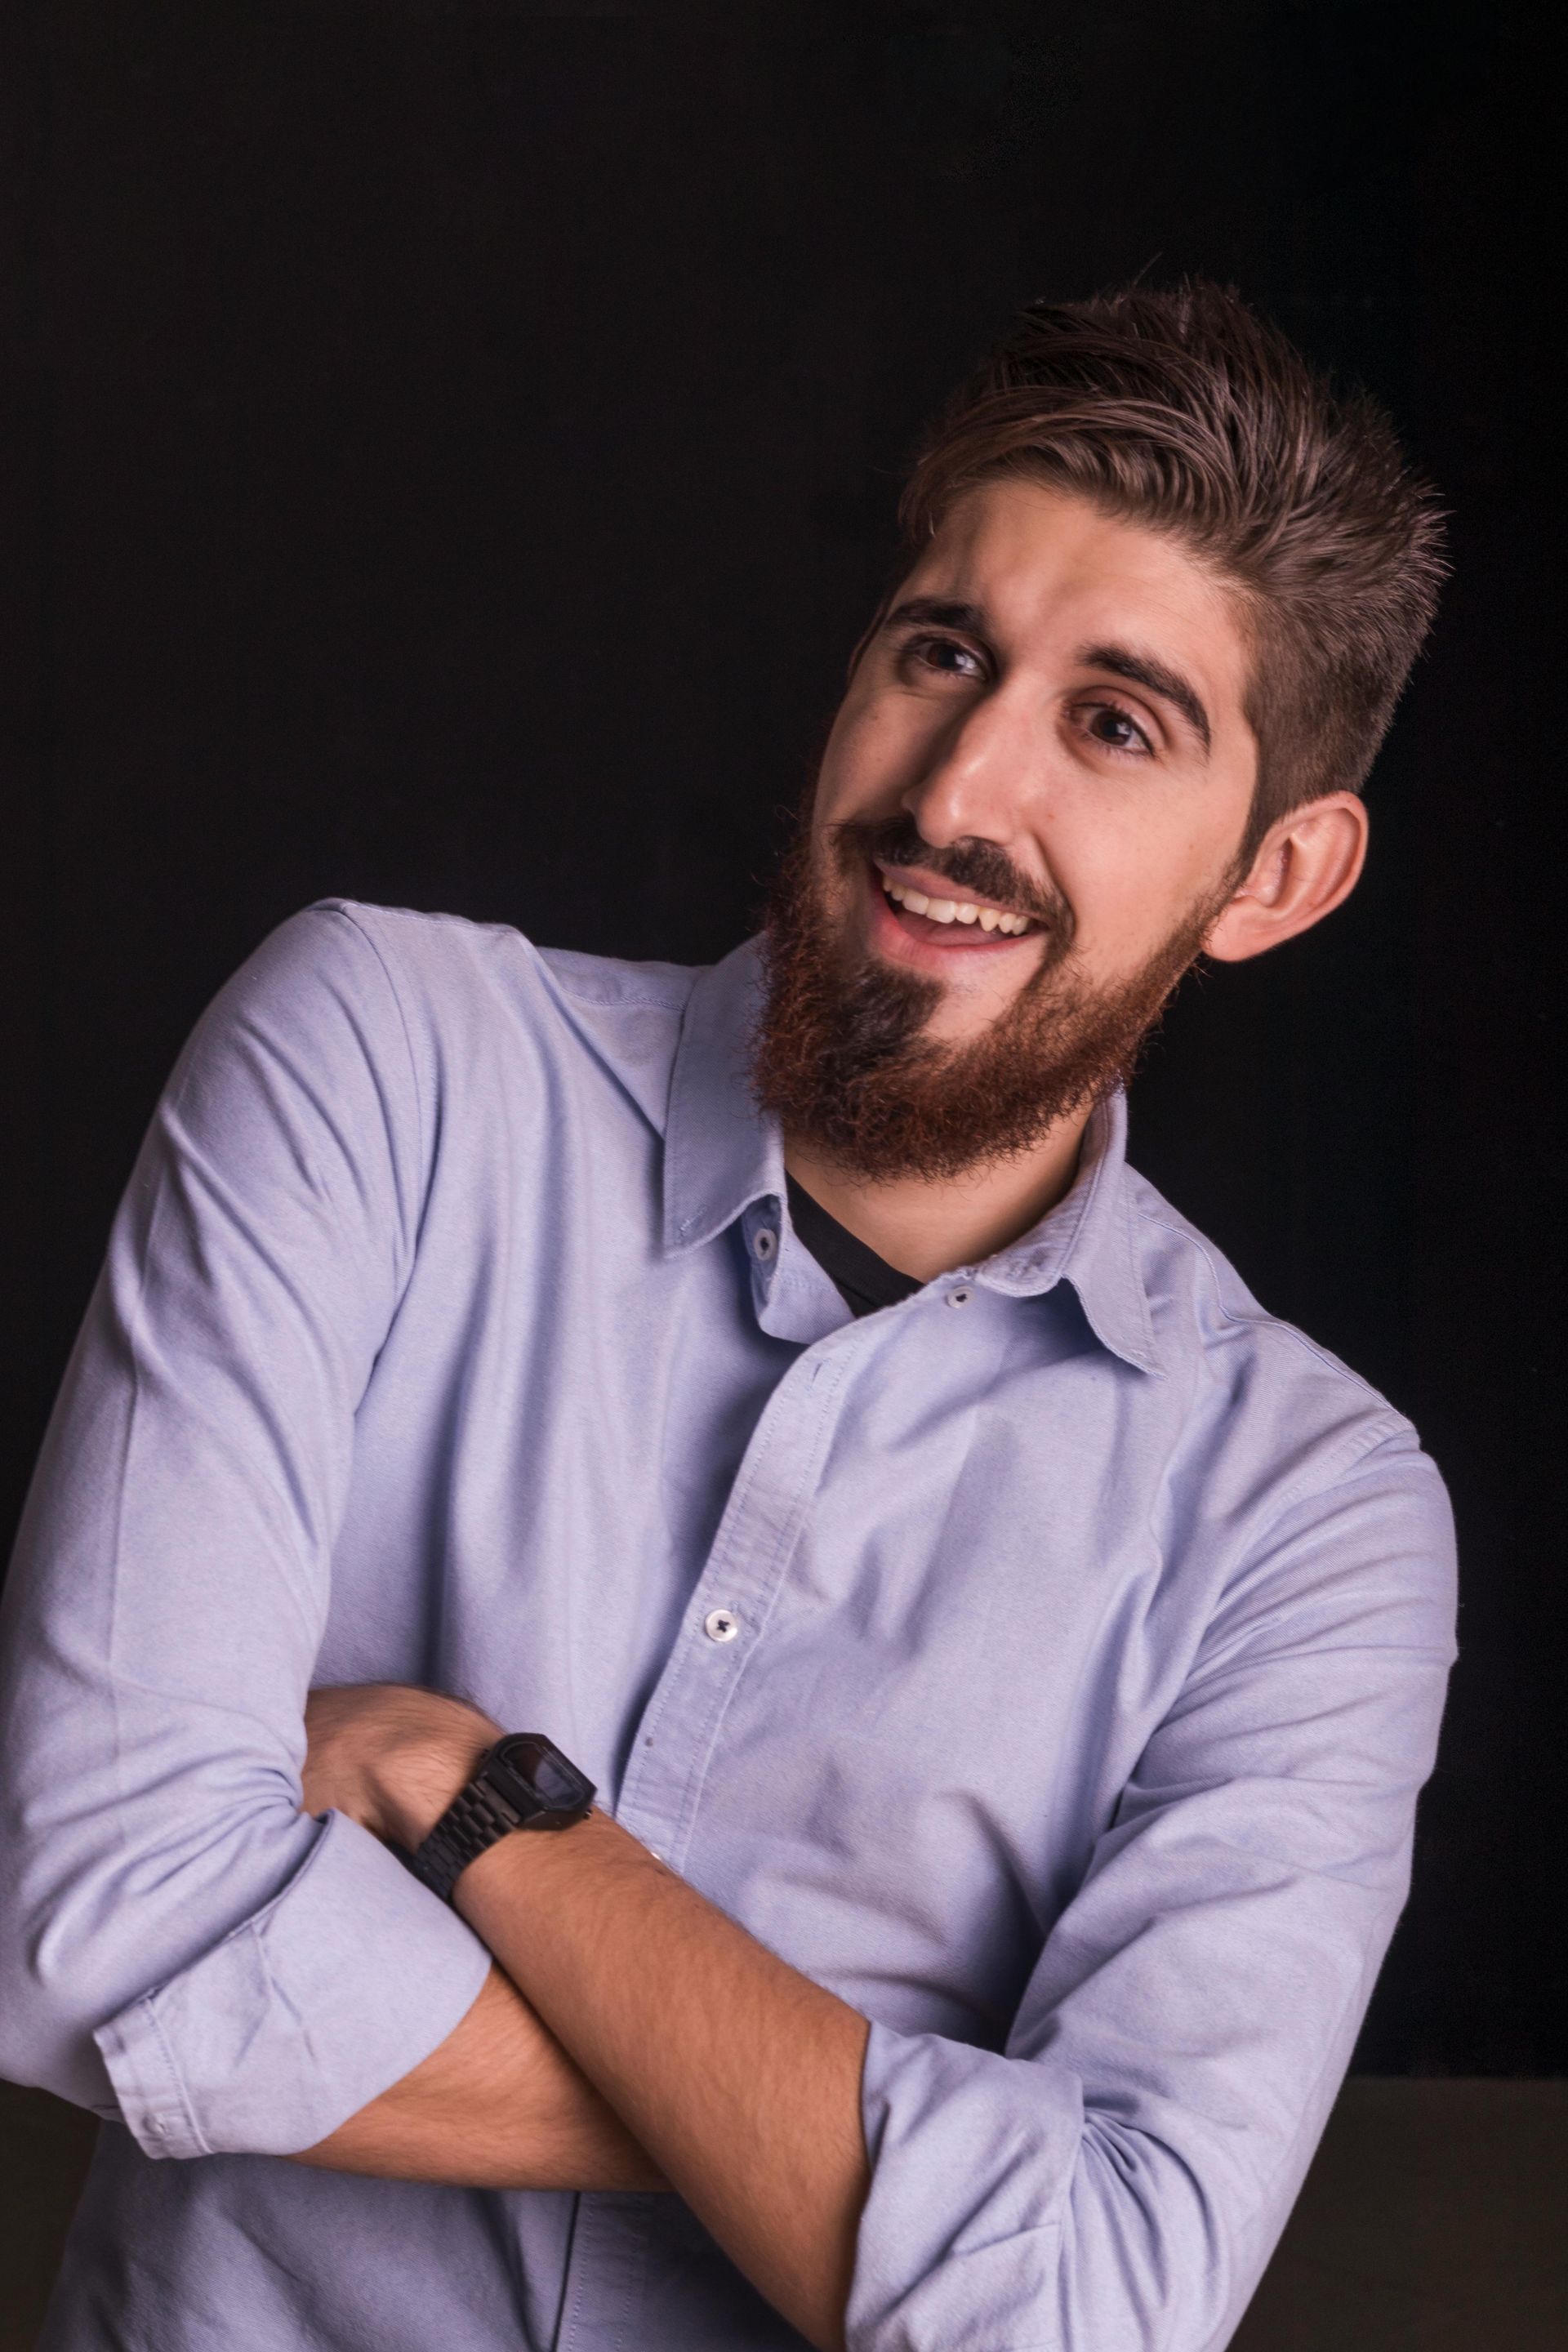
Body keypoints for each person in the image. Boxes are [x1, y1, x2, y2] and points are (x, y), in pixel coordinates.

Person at [0, 281, 1455, 2352]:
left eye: (1114, 723)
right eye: (941, 652)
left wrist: (473, 1794)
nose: (960, 790)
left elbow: (1106, 2319)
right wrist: (881, 2122)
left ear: (1278, 877)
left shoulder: (1313, 1517)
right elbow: (88, 1927)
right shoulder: (386, 1064)